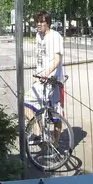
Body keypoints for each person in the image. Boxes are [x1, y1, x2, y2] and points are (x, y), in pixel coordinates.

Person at [24, 11, 66, 144]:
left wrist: (46, 73)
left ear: (48, 23)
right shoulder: (38, 36)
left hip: (54, 80)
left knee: (56, 115)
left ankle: (56, 143)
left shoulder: (55, 36)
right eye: (37, 21)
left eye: (41, 22)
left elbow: (57, 59)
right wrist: (39, 75)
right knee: (25, 104)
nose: (38, 24)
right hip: (41, 80)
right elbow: (40, 59)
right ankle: (38, 133)